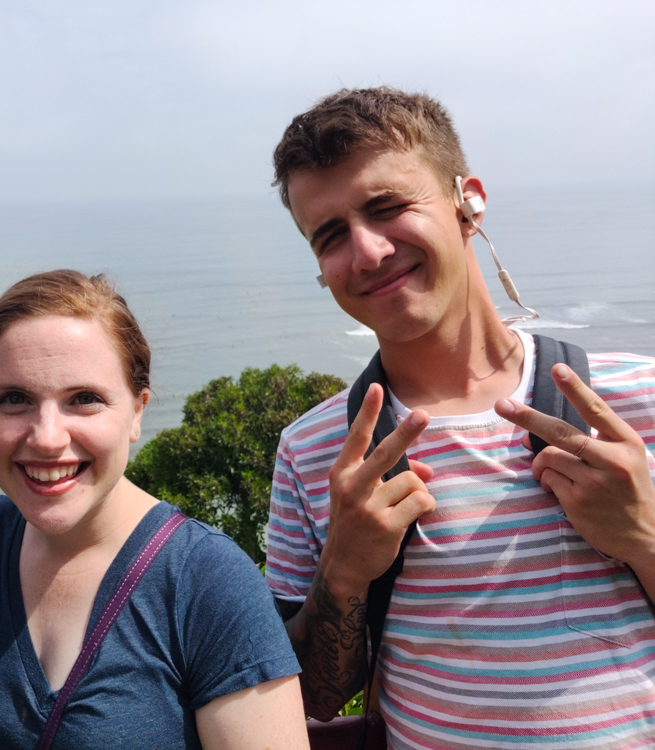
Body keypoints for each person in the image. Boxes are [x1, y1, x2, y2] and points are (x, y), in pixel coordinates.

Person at [265, 87, 655, 748]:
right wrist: (345, 571)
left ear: (467, 203)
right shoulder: (313, 452)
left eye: (386, 208)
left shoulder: (636, 396)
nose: (366, 252)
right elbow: (312, 700)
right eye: (329, 237)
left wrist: (644, 534)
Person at [0, 270, 309, 749]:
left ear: (137, 411)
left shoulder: (207, 581)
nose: (47, 437)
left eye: (84, 399)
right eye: (15, 399)